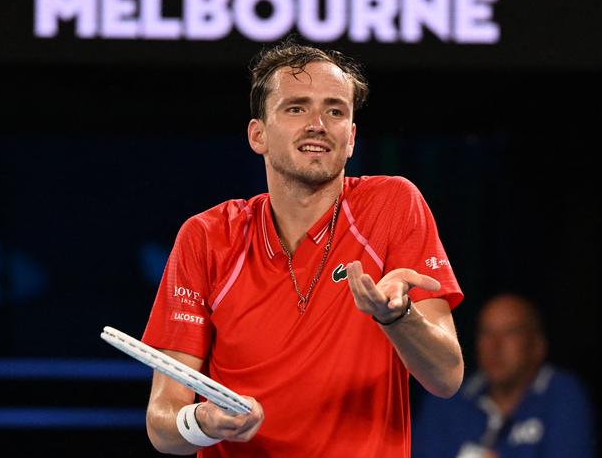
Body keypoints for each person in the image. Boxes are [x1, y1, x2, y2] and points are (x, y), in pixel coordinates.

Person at [141, 39, 465, 457]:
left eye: (335, 110)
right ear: (258, 135)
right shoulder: (206, 236)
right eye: (296, 108)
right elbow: (162, 424)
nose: (318, 124)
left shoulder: (393, 205)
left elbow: (446, 377)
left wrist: (397, 316)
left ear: (350, 138)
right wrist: (201, 423)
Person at [413, 292, 597, 457]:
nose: (495, 346)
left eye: (510, 333)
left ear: (537, 345)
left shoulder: (561, 393)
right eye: (487, 333)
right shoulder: (447, 395)